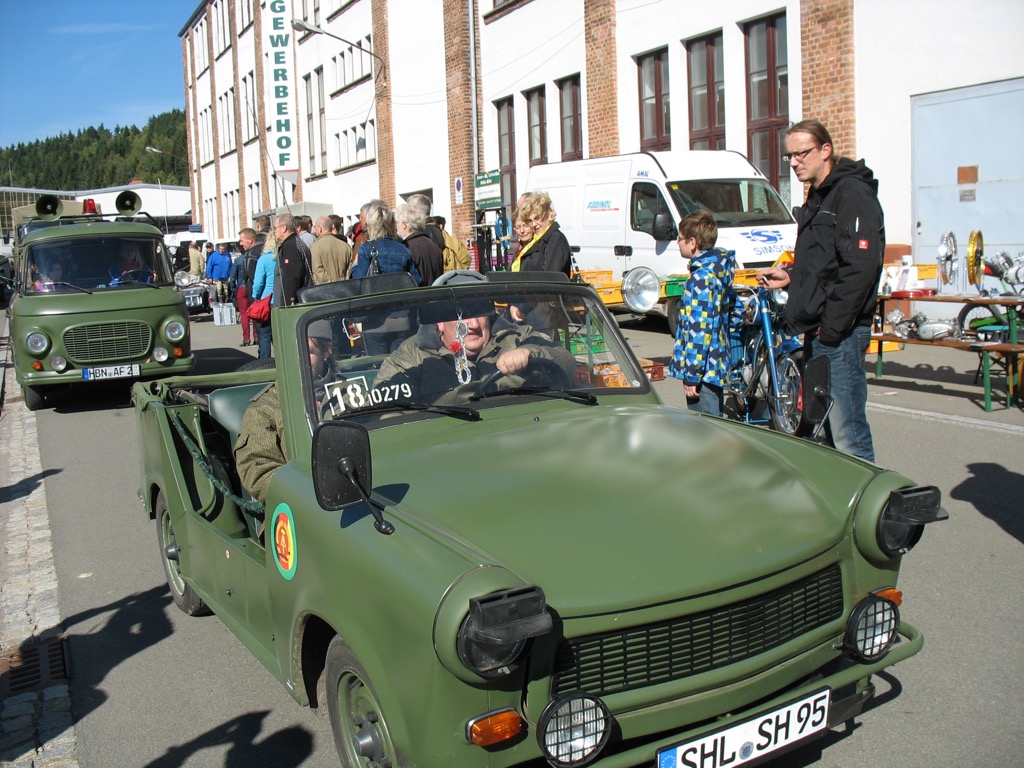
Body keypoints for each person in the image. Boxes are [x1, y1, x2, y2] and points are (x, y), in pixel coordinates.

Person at [757, 119, 884, 461]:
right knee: (826, 432)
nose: (794, 162)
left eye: (802, 153)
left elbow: (860, 267)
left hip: (839, 334)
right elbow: (825, 264)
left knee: (848, 434)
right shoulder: (821, 194)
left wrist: (831, 328)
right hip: (822, 332)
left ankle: (865, 510)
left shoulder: (852, 194)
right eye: (789, 156)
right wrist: (792, 277)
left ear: (825, 150)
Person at [374, 304, 577, 407]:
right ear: (440, 322)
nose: (472, 325)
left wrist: (531, 353)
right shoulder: (411, 357)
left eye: (478, 313)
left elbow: (567, 362)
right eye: (460, 315)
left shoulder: (518, 336)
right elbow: (386, 412)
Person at [235, 320, 336, 503]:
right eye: (292, 353)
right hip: (298, 508)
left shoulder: (351, 392)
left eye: (309, 352)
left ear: (327, 351)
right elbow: (258, 473)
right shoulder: (265, 409)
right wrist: (312, 489)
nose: (299, 361)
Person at [667, 211, 736, 416]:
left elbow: (699, 330)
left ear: (693, 242)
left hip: (704, 373)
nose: (677, 243)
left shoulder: (700, 278)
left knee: (704, 430)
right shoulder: (718, 271)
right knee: (713, 425)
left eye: (680, 239)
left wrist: (692, 376)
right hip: (716, 366)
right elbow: (735, 310)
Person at [513, 191, 572, 276]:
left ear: (548, 214)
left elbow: (550, 277)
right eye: (530, 220)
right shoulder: (537, 239)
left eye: (537, 218)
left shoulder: (555, 239)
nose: (534, 224)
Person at [395, 203, 443, 286]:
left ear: (404, 224)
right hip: (437, 295)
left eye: (397, 222)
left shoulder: (406, 248)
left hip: (420, 296)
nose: (396, 226)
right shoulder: (432, 244)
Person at [273, 214, 312, 307]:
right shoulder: (295, 242)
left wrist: (289, 302)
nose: (274, 231)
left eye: (275, 228)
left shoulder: (290, 246)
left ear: (283, 228)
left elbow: (292, 277)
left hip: (291, 304)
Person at [251, 231, 278, 358]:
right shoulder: (283, 258)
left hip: (266, 301)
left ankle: (265, 364)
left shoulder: (264, 259)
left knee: (264, 337)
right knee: (279, 338)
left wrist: (255, 296)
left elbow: (258, 283)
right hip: (280, 301)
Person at [236, 228, 263, 347]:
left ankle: (263, 358)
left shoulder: (250, 255)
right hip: (266, 295)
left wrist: (255, 296)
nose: (240, 244)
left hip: (258, 296)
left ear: (250, 240)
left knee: (263, 331)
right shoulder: (264, 251)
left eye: (242, 241)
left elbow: (254, 280)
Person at [311, 214, 353, 284]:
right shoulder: (345, 246)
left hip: (325, 290)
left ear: (319, 229)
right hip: (344, 287)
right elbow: (350, 267)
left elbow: (317, 270)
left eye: (315, 227)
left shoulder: (315, 247)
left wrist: (330, 283)